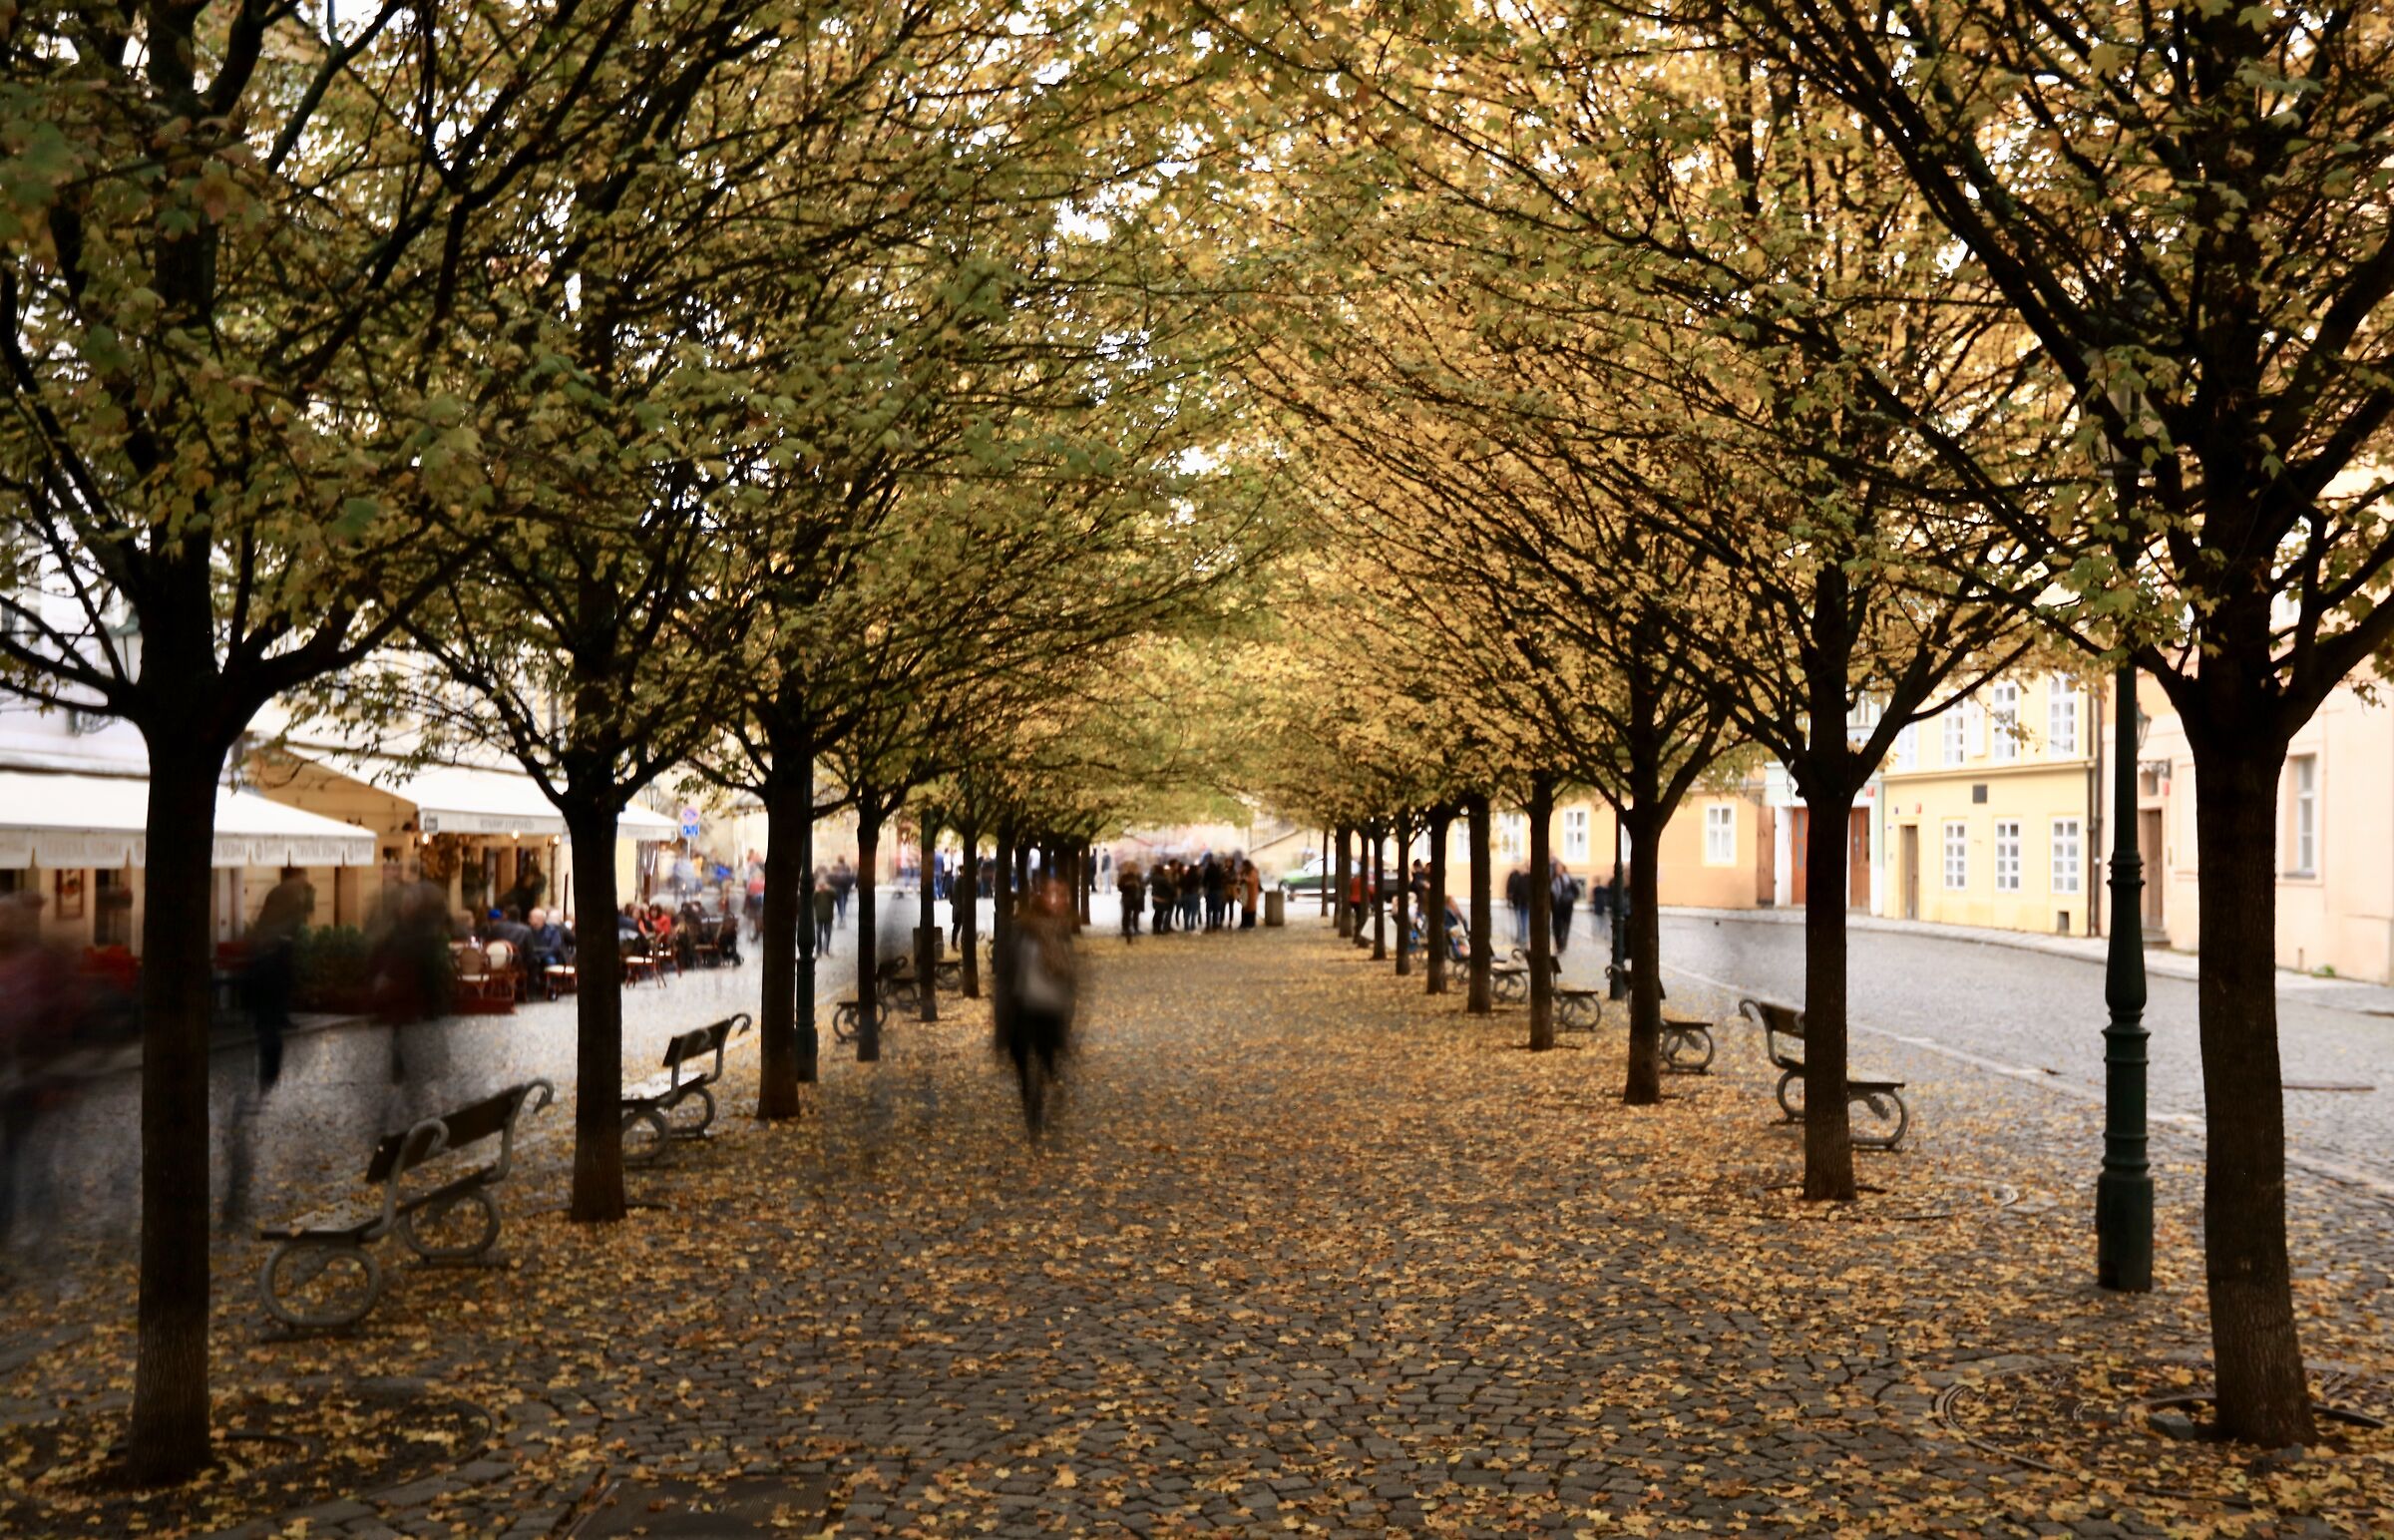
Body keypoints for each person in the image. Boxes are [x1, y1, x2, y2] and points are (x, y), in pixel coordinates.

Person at [996, 880, 1077, 1140]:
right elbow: (1005, 975)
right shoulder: (1020, 930)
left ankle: (1040, 1104)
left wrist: (1068, 1010)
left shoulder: (1062, 931)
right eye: (1053, 894)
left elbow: (1071, 978)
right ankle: (1032, 1110)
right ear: (1041, 898)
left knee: (1045, 1062)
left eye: (1062, 895)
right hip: (1023, 1009)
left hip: (1050, 1011)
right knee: (1023, 1066)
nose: (1058, 900)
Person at [245, 867, 314, 1091]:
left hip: (268, 962)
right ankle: (269, 1072)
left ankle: (268, 1072)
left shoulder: (281, 895)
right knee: (270, 1023)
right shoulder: (290, 896)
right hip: (274, 961)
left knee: (267, 1022)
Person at [1550, 861, 1578, 954]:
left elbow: (1576, 891)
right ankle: (1559, 944)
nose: (1557, 869)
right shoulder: (1552, 879)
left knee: (1566, 925)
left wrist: (1571, 898)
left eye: (1559, 867)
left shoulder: (1568, 879)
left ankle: (1563, 944)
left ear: (1563, 868)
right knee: (1556, 927)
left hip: (1567, 906)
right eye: (1556, 868)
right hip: (1556, 907)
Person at [1505, 866, 1530, 949]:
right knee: (1523, 920)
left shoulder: (1517, 878)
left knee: (1520, 921)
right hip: (1524, 903)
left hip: (1520, 903)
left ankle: (1521, 937)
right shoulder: (1524, 878)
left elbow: (1511, 890)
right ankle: (1523, 937)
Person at [1118, 864, 1144, 941]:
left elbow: (1142, 886)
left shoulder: (1138, 877)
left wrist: (1140, 887)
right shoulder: (1124, 877)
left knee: (1136, 914)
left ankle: (1136, 929)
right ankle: (1125, 929)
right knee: (1126, 914)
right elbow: (1120, 886)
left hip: (1137, 898)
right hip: (1128, 898)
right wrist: (1127, 885)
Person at [812, 874, 837, 957]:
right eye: (820, 885)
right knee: (818, 933)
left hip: (828, 916)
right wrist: (816, 891)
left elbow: (835, 896)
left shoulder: (830, 891)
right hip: (819, 917)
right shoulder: (816, 893)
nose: (822, 887)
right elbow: (812, 901)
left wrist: (828, 889)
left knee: (828, 933)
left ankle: (825, 949)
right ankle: (819, 950)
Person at [1149, 864, 1174, 935]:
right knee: (1159, 914)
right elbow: (1170, 888)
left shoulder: (1153, 877)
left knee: (1157, 913)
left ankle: (1155, 928)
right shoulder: (1162, 879)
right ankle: (1158, 929)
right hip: (1162, 897)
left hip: (1155, 897)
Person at [829, 859, 855, 927]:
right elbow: (851, 878)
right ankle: (842, 917)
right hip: (845, 889)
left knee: (837, 904)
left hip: (836, 888)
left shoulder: (834, 868)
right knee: (842, 903)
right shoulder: (847, 868)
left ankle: (837, 918)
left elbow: (830, 878)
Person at [1239, 860, 1262, 930]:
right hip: (1245, 892)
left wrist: (1245, 879)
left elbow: (1252, 880)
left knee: (1251, 908)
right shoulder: (1244, 871)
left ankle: (1251, 924)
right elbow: (1239, 877)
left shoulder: (1252, 871)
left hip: (1251, 892)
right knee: (1245, 907)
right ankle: (1244, 923)